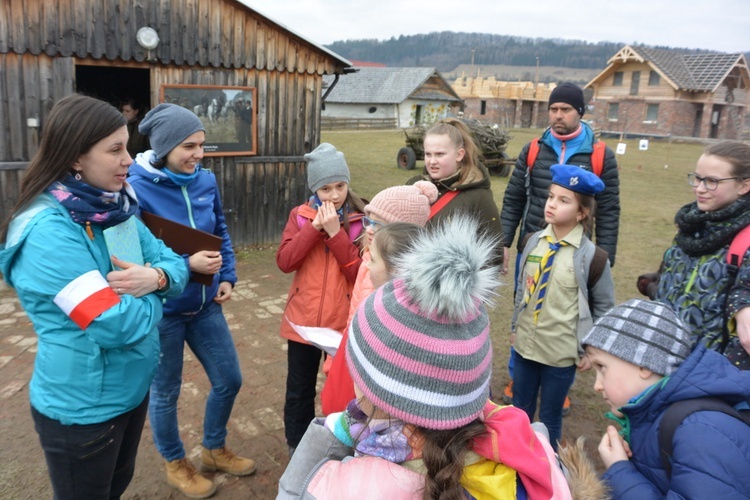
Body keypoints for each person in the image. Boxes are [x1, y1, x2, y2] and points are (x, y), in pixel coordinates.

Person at [278, 216, 575, 500]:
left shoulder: (348, 487)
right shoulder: (529, 451)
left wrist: (327, 433)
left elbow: (291, 493)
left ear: (379, 394)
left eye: (357, 370)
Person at [0, 94, 188, 499]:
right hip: (84, 410)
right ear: (75, 158)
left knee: (115, 488)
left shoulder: (110, 211)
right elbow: (114, 324)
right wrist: (160, 290)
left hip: (131, 392)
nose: (129, 159)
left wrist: (154, 277)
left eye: (128, 146)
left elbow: (175, 263)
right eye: (115, 149)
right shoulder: (46, 234)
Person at [129, 103, 254, 498]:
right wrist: (187, 263)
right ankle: (175, 463)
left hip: (204, 306)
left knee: (229, 379)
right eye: (189, 146)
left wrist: (227, 275)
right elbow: (130, 254)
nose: (198, 154)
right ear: (164, 147)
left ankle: (214, 449)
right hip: (162, 312)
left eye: (201, 145)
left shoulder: (205, 181)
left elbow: (220, 229)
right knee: (166, 393)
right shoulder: (134, 187)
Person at [500, 82, 621, 408]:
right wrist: (505, 242)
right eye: (553, 109)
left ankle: (557, 380)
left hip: (574, 251)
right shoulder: (534, 149)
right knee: (526, 305)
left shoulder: (599, 155)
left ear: (579, 112)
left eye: (565, 109)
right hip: (534, 244)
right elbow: (514, 198)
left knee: (565, 309)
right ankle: (519, 373)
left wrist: (606, 254)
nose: (557, 115)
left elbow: (609, 208)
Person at [582, 299, 750, 499]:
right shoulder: (656, 415)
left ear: (644, 365)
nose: (597, 385)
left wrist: (621, 472)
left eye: (602, 367)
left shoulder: (699, 432)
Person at [511, 164, 615, 450]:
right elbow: (522, 289)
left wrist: (590, 350)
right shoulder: (533, 241)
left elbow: (605, 307)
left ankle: (549, 466)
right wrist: (513, 327)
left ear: (582, 213)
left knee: (550, 416)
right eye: (550, 197)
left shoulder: (593, 257)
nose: (551, 205)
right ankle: (516, 459)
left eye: (563, 200)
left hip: (560, 353)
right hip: (524, 347)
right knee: (519, 408)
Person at [276, 143, 367, 456]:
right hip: (303, 323)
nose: (335, 195)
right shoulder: (300, 217)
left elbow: (358, 273)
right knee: (298, 390)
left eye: (340, 186)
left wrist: (336, 234)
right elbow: (285, 262)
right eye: (326, 188)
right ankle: (296, 448)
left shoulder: (360, 219)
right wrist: (314, 230)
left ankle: (337, 447)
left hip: (341, 326)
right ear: (314, 189)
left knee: (339, 392)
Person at [319, 181, 438, 416]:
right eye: (369, 221)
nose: (370, 229)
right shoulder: (368, 260)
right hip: (351, 359)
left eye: (379, 224)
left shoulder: (403, 287)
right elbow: (354, 316)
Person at [644, 141, 750, 360]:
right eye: (698, 178)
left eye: (712, 181)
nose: (700, 188)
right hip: (661, 355)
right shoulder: (690, 226)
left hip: (708, 371)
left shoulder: (744, 242)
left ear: (744, 186)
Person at [406, 117, 503, 265]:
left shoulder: (479, 196)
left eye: (440, 154)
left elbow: (493, 254)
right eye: (428, 154)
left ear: (459, 154)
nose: (432, 161)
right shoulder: (413, 185)